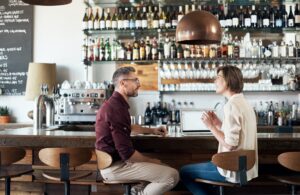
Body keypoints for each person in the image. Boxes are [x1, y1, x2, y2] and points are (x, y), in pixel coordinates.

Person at [95, 66, 179, 195]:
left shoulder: (116, 104)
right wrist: (152, 161)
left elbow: (128, 127)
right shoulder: (116, 108)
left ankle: (135, 192)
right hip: (115, 167)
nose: (139, 84)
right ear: (123, 83)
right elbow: (126, 153)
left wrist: (153, 131)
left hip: (114, 164)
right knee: (171, 175)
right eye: (135, 80)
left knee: (163, 169)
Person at [180, 65, 258, 195]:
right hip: (244, 168)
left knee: (184, 171)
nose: (214, 81)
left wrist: (210, 126)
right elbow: (237, 133)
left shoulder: (231, 105)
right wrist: (218, 124)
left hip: (231, 169)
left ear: (228, 81)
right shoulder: (244, 103)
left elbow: (231, 144)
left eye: (218, 78)